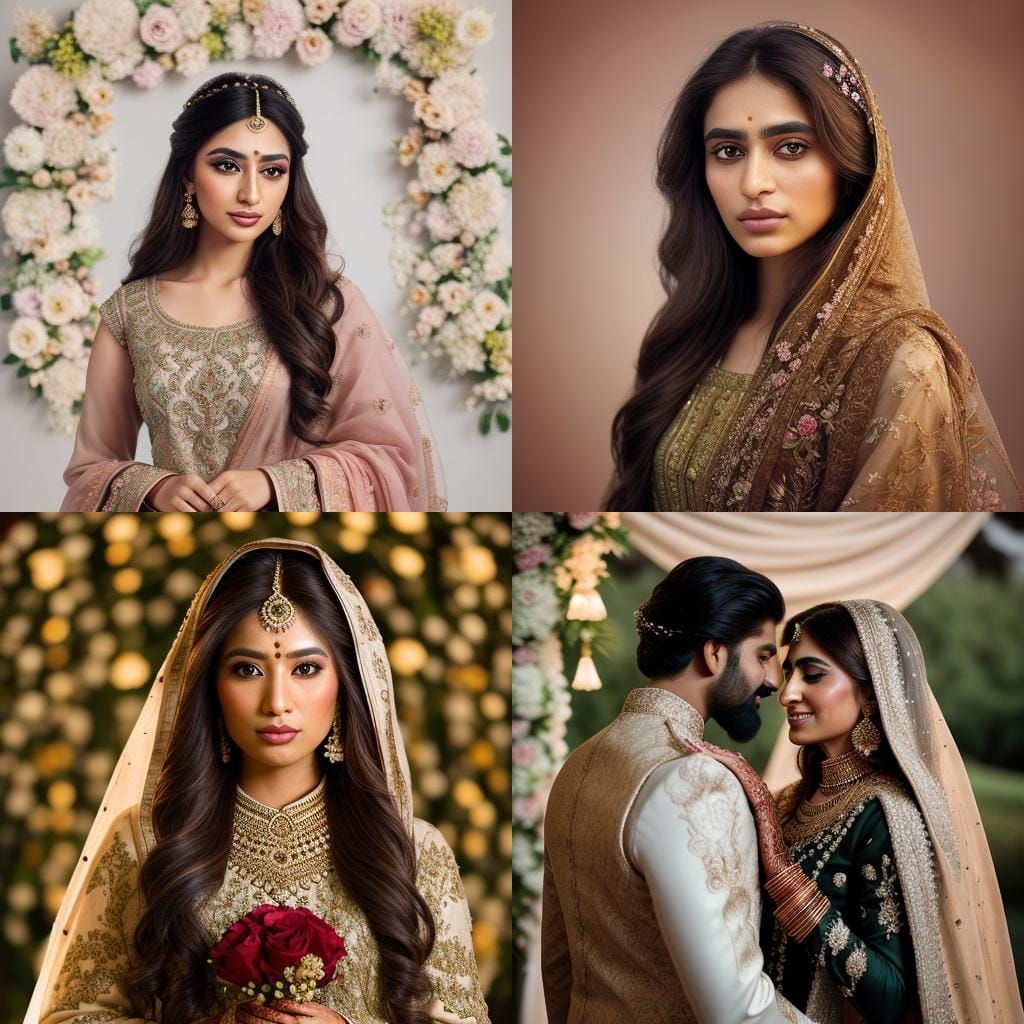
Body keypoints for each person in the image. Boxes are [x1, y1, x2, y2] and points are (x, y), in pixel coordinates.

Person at [26, 539, 487, 1024]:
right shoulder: (147, 842)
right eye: (247, 669)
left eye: (306, 668)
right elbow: (73, 1017)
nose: (277, 701)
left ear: (347, 685)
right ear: (211, 685)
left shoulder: (412, 849)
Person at [605, 22, 1021, 511]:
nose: (753, 182)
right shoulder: (693, 330)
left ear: (850, 162)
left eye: (791, 148)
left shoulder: (899, 360)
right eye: (728, 152)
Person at [60, 72, 446, 513]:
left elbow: (392, 460)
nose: (251, 193)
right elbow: (90, 471)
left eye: (272, 170)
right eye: (226, 165)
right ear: (188, 174)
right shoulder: (129, 314)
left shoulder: (326, 304)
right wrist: (155, 487)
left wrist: (274, 484)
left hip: (290, 548)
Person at [696, 600, 1023, 1022]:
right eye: (791, 672)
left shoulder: (886, 813)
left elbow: (887, 999)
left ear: (870, 693)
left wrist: (784, 877)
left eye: (812, 675)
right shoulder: (788, 800)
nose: (788, 692)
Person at [541, 556, 815, 1023]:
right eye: (763, 656)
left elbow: (559, 967)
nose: (773, 681)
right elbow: (737, 1011)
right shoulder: (695, 780)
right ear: (714, 653)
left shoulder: (580, 762)